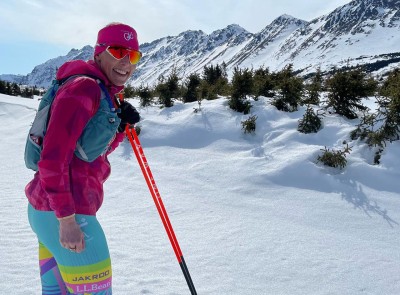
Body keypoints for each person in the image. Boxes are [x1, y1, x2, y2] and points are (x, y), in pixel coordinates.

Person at [25, 22, 141, 294]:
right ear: (99, 52)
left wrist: (120, 127)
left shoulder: (98, 90)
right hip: (67, 214)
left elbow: (88, 155)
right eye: (117, 51)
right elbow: (52, 160)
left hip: (46, 212)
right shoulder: (84, 89)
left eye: (133, 55)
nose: (126, 62)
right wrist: (66, 221)